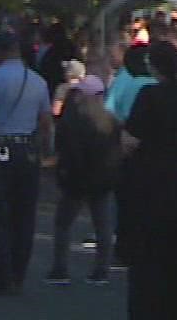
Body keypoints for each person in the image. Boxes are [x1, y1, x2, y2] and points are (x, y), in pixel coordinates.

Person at [117, 40, 177, 319]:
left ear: (154, 66)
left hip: (153, 181)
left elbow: (131, 140)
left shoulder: (149, 95)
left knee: (149, 258)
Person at [0, 30, 52, 296]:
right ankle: (18, 274)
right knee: (23, 215)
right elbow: (46, 121)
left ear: (1, 51)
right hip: (26, 149)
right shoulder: (38, 82)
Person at [48, 69, 119, 285]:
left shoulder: (72, 119)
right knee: (103, 226)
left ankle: (60, 269)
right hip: (103, 178)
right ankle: (101, 270)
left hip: (75, 178)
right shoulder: (110, 119)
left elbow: (61, 148)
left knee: (63, 224)